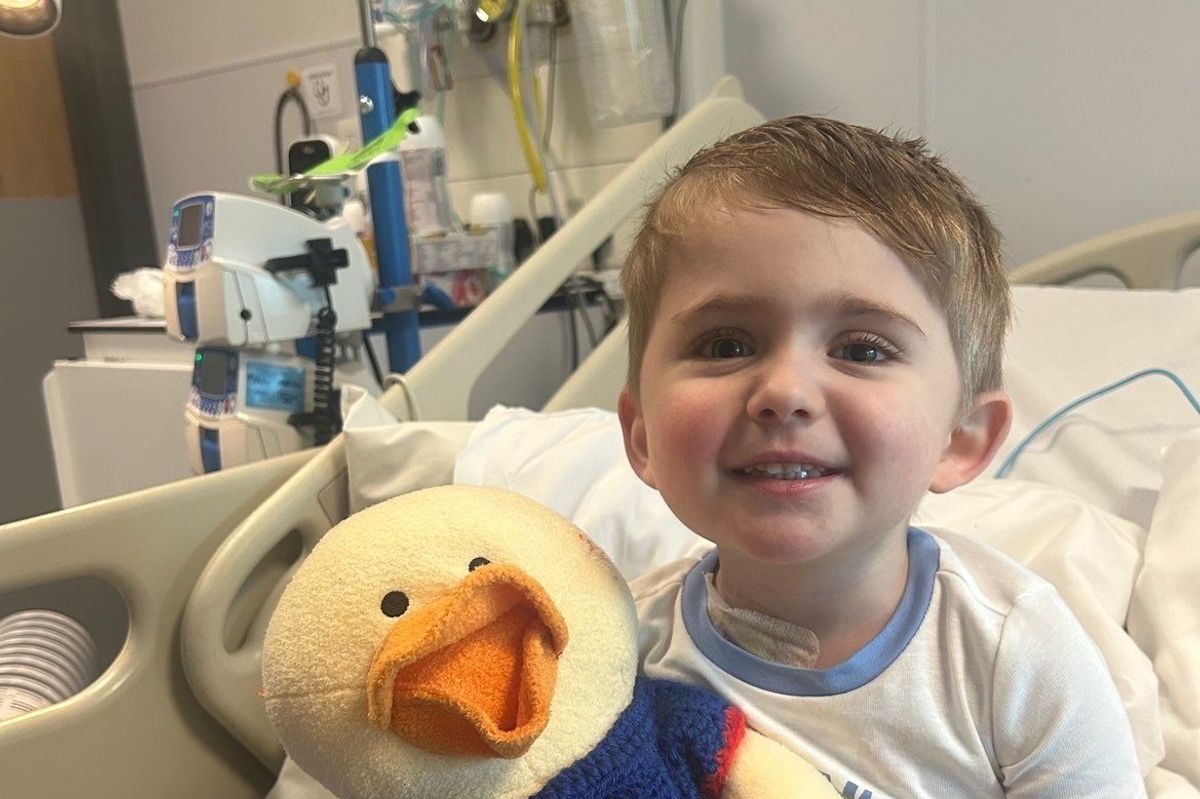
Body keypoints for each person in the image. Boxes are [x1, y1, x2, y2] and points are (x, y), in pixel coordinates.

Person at [617, 116, 1144, 797]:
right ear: (641, 435)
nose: (784, 392)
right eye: (725, 344)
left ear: (961, 440)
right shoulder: (618, 650)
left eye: (862, 349)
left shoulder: (1014, 656)